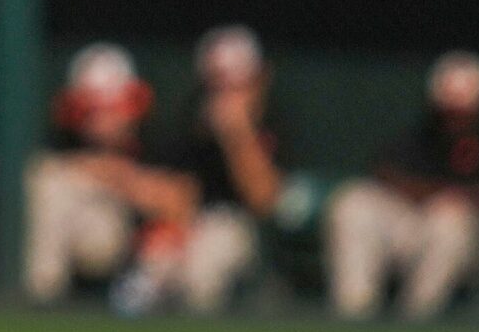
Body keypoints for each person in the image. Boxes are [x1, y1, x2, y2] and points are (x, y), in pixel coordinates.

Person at [24, 43, 197, 308]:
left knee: (175, 246)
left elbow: (180, 201)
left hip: (148, 264)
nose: (103, 119)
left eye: (113, 107)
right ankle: (41, 300)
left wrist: (121, 178)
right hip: (89, 241)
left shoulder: (155, 137)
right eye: (92, 109)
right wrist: (100, 170)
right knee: (49, 184)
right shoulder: (61, 139)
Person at [326, 51, 479, 321]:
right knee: (352, 202)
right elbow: (386, 172)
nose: (455, 118)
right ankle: (353, 315)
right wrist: (440, 192)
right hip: (409, 226)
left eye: (463, 111)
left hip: (468, 244)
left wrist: (461, 197)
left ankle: (416, 322)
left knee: (452, 218)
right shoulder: (422, 134)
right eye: (449, 109)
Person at [156, 26, 287, 314]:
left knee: (205, 262)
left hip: (248, 233)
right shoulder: (190, 119)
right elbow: (177, 193)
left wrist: (237, 134)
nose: (226, 96)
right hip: (192, 223)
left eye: (237, 85)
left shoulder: (274, 120)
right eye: (218, 85)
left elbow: (263, 200)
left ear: (259, 80)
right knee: (152, 267)